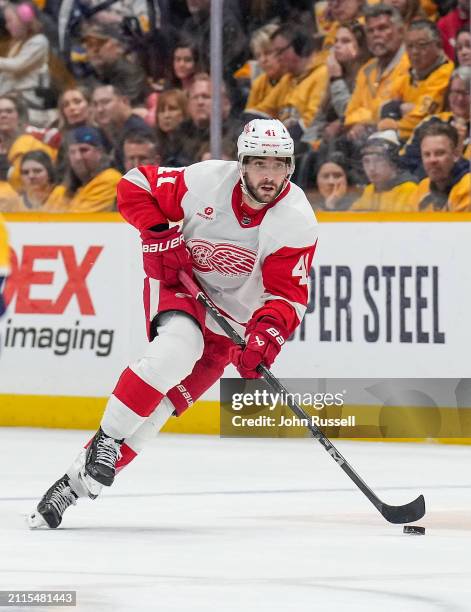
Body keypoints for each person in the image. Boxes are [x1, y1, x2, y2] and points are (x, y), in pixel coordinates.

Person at [28, 118, 318, 529]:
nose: (268, 176)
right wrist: (157, 232)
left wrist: (265, 336)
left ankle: (69, 488)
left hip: (231, 321)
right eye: (259, 164)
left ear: (289, 167)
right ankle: (107, 440)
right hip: (182, 287)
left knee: (153, 418)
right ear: (241, 163)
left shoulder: (296, 219)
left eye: (278, 165)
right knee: (176, 352)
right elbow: (133, 185)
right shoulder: (206, 182)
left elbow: (286, 296)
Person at [245, 25, 328, 139]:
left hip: (308, 146)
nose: (277, 58)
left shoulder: (323, 74)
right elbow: (263, 111)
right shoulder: (288, 79)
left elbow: (311, 123)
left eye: (279, 52)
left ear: (298, 47)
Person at [344, 4, 410, 142]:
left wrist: (366, 119)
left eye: (382, 28)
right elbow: (350, 115)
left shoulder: (411, 64)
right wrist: (375, 115)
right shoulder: (365, 70)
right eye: (370, 31)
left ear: (401, 31)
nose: (376, 35)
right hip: (364, 138)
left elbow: (397, 113)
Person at [379, 19, 454, 140]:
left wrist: (393, 125)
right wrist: (400, 108)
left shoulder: (446, 74)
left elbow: (421, 120)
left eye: (422, 45)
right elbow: (385, 107)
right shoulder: (408, 74)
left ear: (439, 45)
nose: (414, 52)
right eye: (409, 46)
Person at [401, 66, 471, 175]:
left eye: (466, 93)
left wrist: (458, 149)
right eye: (455, 92)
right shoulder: (431, 122)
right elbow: (407, 162)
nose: (459, 99)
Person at [0, 2, 52, 126]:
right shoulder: (15, 45)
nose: (7, 26)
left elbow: (17, 65)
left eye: (10, 21)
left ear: (24, 20)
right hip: (9, 101)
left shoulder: (39, 41)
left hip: (28, 104)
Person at [47, 126, 121, 213]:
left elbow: (79, 223)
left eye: (84, 150)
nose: (78, 157)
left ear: (99, 152)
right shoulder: (61, 191)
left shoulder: (110, 178)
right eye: (72, 152)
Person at [350, 130, 417, 211]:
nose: (371, 168)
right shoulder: (369, 190)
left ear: (393, 162)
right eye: (366, 161)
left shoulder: (410, 190)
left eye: (378, 160)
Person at [411, 122, 470, 211]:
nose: (432, 160)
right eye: (427, 154)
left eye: (440, 153)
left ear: (456, 155)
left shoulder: (467, 187)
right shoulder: (423, 187)